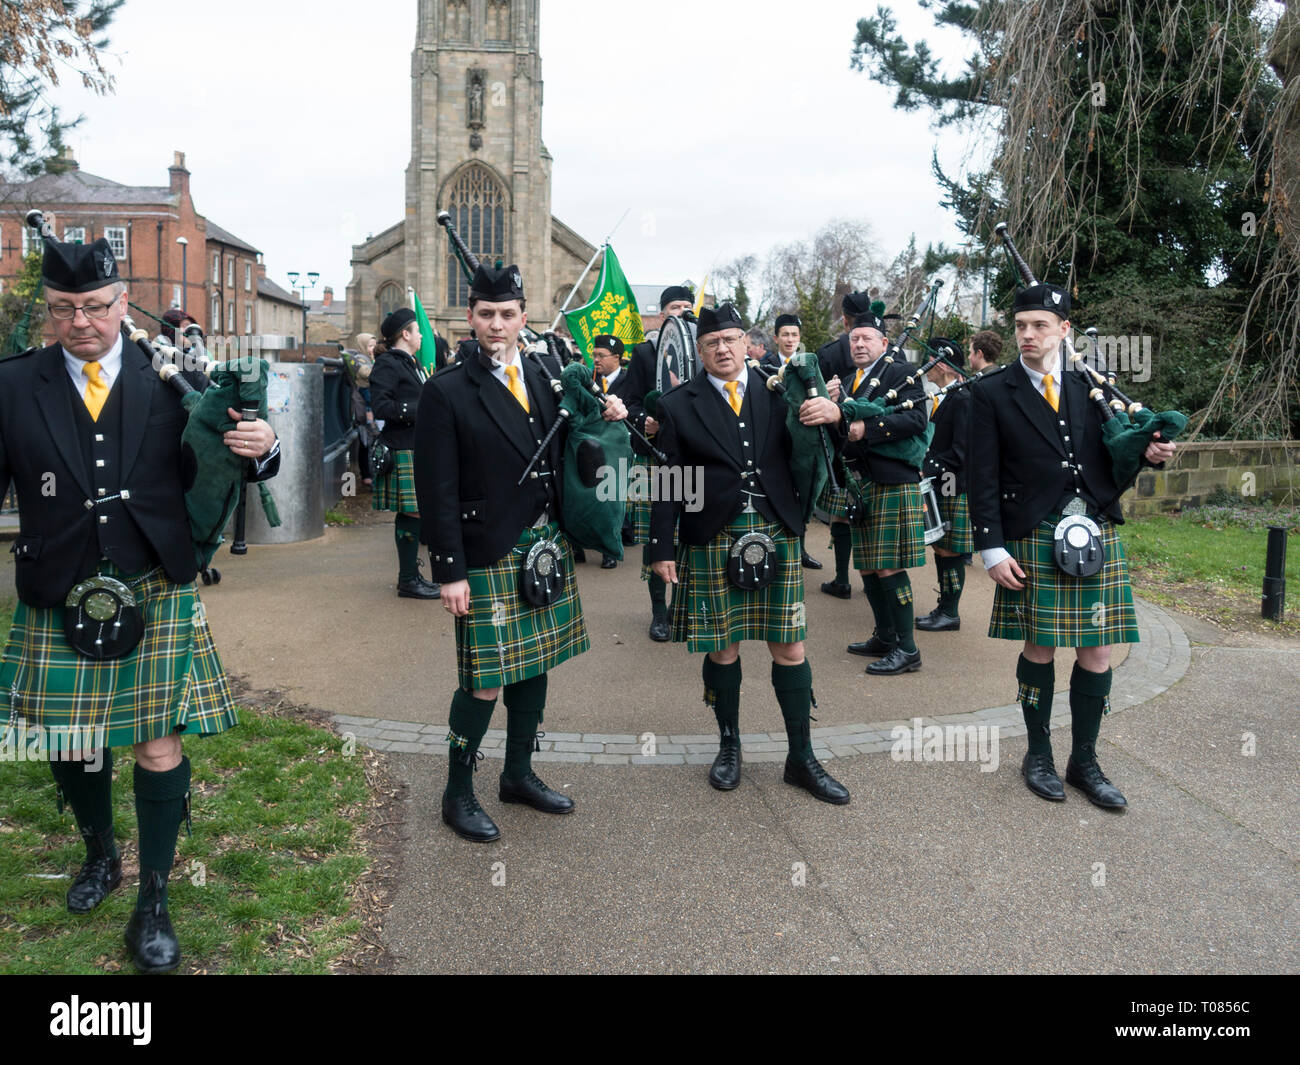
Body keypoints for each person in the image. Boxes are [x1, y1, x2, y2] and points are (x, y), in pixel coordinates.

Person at [0, 234, 279, 972]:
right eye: (63, 309)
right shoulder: (12, 384)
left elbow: (232, 452)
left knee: (158, 742)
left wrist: (265, 443)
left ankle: (153, 896)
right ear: (49, 311)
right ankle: (100, 853)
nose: (80, 322)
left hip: (154, 583)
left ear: (123, 303)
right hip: (58, 589)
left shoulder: (173, 383)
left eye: (94, 306)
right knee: (70, 738)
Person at [415, 263, 628, 842]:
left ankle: (517, 773)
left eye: (507, 314)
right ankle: (457, 793)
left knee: (535, 665)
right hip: (487, 549)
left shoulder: (542, 373)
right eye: (486, 314)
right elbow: (436, 489)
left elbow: (570, 435)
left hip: (544, 543)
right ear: (470, 318)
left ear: (523, 318)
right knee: (483, 680)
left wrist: (603, 412)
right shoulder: (446, 391)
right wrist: (449, 571)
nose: (496, 324)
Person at [968, 283, 1175, 809]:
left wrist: (1150, 451)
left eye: (1039, 325)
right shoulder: (991, 392)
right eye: (1020, 326)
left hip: (1094, 528)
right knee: (1039, 645)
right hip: (1033, 531)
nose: (1028, 335)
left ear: (1064, 330)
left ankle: (1084, 759)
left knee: (1098, 649)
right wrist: (991, 548)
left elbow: (1118, 452)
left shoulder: (1095, 386)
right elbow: (981, 478)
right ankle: (1037, 752)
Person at [649, 303, 850, 804]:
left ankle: (801, 757)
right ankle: (729, 745)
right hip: (712, 533)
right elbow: (667, 480)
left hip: (775, 528)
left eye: (732, 339)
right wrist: (661, 545)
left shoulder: (777, 391)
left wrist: (835, 414)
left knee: (790, 647)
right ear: (700, 350)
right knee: (724, 645)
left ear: (746, 344)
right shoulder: (678, 403)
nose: (723, 349)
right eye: (713, 342)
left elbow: (811, 450)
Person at [840, 310, 929, 675]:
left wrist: (867, 429)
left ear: (883, 343)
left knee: (889, 565)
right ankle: (886, 635)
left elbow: (916, 419)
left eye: (866, 338)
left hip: (893, 479)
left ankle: (908, 649)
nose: (859, 344)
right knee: (869, 565)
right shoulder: (847, 381)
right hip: (861, 481)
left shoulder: (900, 373)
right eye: (854, 339)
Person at [623, 285, 694, 642]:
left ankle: (683, 607)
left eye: (687, 306)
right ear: (664, 314)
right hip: (658, 456)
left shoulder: (705, 350)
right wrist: (645, 423)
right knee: (660, 534)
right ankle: (658, 612)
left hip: (698, 456)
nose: (683, 311)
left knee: (693, 534)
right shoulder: (644, 353)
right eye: (675, 307)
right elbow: (629, 403)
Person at [370, 308, 439, 599]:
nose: (423, 334)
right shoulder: (387, 364)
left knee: (416, 510)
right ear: (405, 334)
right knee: (412, 510)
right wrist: (420, 410)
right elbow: (382, 409)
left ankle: (410, 575)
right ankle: (408, 579)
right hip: (401, 447)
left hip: (415, 446)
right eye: (417, 330)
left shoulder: (410, 364)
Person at [757, 314, 822, 571]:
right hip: (772, 437)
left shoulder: (807, 364)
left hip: (801, 438)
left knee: (801, 492)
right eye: (785, 334)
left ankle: (800, 548)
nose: (790, 339)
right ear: (775, 338)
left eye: (795, 335)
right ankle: (774, 547)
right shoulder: (762, 364)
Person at [916, 338, 971, 632]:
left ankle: (950, 612)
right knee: (942, 548)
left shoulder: (962, 398)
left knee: (949, 548)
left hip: (953, 482)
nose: (926, 368)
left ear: (941, 365)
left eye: (929, 362)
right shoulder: (949, 395)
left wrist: (927, 468)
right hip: (945, 480)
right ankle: (945, 607)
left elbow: (961, 451)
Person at [591, 333, 629, 568]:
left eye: (601, 355)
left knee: (611, 498)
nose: (596, 359)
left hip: (618, 448)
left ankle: (610, 549)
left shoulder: (630, 379)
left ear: (616, 357)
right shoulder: (589, 379)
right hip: (592, 448)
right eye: (594, 355)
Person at [342, 332, 378, 486]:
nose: (372, 349)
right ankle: (367, 475)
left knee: (370, 442)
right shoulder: (360, 359)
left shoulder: (370, 359)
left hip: (369, 404)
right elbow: (365, 373)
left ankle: (370, 474)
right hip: (363, 406)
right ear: (362, 345)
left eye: (374, 346)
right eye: (370, 346)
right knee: (366, 441)